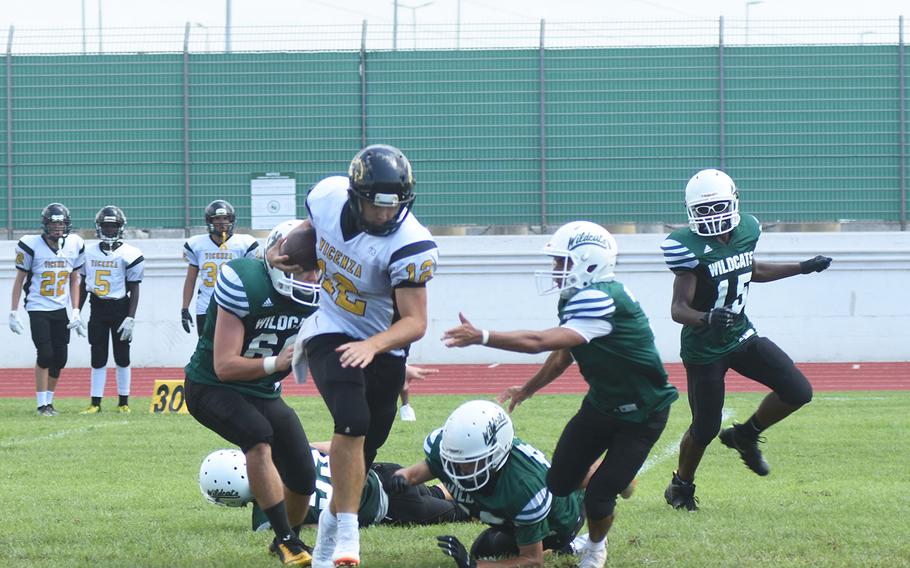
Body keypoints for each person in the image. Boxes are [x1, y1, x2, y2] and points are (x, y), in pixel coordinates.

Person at [442, 221, 678, 568]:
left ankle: (596, 547)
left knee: (598, 497)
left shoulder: (599, 298)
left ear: (588, 262)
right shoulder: (579, 297)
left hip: (642, 413)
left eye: (561, 261)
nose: (555, 270)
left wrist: (484, 336)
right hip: (602, 405)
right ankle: (618, 474)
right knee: (559, 481)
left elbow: (541, 342)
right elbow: (563, 354)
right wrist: (528, 389)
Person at [272, 144, 438, 568]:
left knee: (364, 449)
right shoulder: (328, 197)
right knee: (352, 420)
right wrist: (283, 254)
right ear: (354, 194)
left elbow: (416, 322)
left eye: (393, 207)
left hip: (383, 347)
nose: (385, 215)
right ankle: (349, 535)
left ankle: (329, 536)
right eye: (375, 205)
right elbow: (311, 231)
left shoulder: (410, 243)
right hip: (329, 327)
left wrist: (373, 345)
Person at [659, 169, 832, 511]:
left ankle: (746, 434)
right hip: (704, 348)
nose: (712, 216)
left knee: (798, 391)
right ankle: (681, 486)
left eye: (718, 207)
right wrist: (705, 317)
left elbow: (751, 269)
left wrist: (802, 267)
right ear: (691, 211)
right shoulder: (687, 247)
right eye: (704, 210)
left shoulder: (747, 231)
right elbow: (678, 309)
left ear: (734, 202)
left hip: (741, 334)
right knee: (705, 427)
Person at [184, 219, 322, 566]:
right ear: (278, 259)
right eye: (303, 269)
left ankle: (287, 537)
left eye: (315, 269)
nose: (310, 278)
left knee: (304, 473)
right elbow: (224, 366)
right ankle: (286, 539)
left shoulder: (322, 291)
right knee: (258, 437)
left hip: (264, 391)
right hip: (212, 387)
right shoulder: (244, 280)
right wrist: (276, 363)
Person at [390, 399, 611, 568]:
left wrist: (476, 566)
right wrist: (403, 477)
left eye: (471, 463)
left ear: (497, 455)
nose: (460, 470)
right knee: (485, 547)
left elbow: (532, 561)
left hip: (561, 521)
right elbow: (429, 466)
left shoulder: (524, 487)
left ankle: (574, 544)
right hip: (510, 516)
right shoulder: (455, 452)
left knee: (491, 553)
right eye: (455, 461)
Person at [251, 442, 470, 532]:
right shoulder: (287, 454)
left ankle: (490, 503)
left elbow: (311, 526)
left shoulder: (266, 518)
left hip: (392, 507)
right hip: (383, 473)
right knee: (437, 492)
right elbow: (335, 447)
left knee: (465, 513)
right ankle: (481, 487)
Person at [9, 203, 86, 416]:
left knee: (60, 358)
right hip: (37, 306)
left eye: (61, 224)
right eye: (53, 224)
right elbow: (19, 279)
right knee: (45, 354)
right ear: (45, 225)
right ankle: (41, 404)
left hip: (60, 307)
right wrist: (13, 311)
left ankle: (50, 402)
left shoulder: (75, 244)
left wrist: (76, 310)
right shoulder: (31, 244)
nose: (57, 228)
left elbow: (74, 279)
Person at [78, 206, 144, 414]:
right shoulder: (87, 252)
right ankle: (95, 402)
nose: (109, 230)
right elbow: (81, 285)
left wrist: (131, 317)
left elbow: (134, 287)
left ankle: (123, 402)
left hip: (120, 307)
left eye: (113, 226)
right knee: (98, 355)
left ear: (120, 228)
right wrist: (76, 311)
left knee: (122, 356)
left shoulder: (130, 253)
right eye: (105, 226)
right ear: (99, 228)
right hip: (97, 306)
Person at [181, 199, 259, 336]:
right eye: (217, 219)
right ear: (209, 221)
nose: (222, 222)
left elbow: (253, 278)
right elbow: (190, 280)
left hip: (236, 304)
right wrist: (184, 308)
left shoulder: (245, 243)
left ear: (231, 220)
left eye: (225, 218)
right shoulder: (197, 244)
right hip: (206, 305)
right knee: (206, 351)